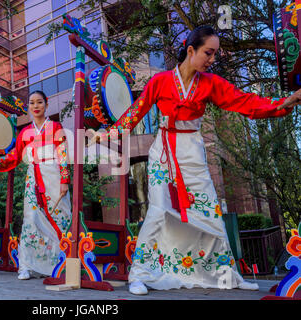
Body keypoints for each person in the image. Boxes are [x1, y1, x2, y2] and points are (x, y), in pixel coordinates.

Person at [98, 26, 299, 294]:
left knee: (210, 215)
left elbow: (245, 102)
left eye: (214, 53)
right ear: (191, 50)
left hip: (192, 152)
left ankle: (226, 276)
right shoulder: (159, 82)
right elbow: (135, 112)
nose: (212, 59)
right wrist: (109, 134)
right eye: (209, 52)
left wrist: (286, 102)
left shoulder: (211, 83)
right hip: (164, 154)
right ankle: (141, 274)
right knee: (159, 211)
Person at [0, 90, 71, 280]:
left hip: (54, 175)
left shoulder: (55, 127)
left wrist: (65, 180)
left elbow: (63, 154)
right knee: (31, 220)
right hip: (33, 177)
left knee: (60, 218)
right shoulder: (24, 133)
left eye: (39, 102)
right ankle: (27, 265)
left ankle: (60, 264)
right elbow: (13, 157)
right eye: (32, 103)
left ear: (46, 104)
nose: (36, 106)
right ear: (29, 107)